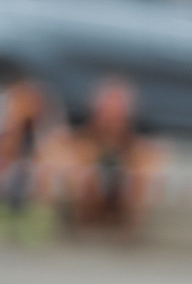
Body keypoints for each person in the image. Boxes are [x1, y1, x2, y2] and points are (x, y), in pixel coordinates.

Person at [0, 77, 63, 246]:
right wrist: (15, 127)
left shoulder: (46, 135)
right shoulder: (1, 131)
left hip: (31, 206)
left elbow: (46, 170)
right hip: (1, 200)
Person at [67, 75, 161, 236]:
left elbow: (152, 172)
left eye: (118, 111)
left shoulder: (141, 150)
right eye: (107, 110)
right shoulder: (75, 143)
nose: (112, 117)